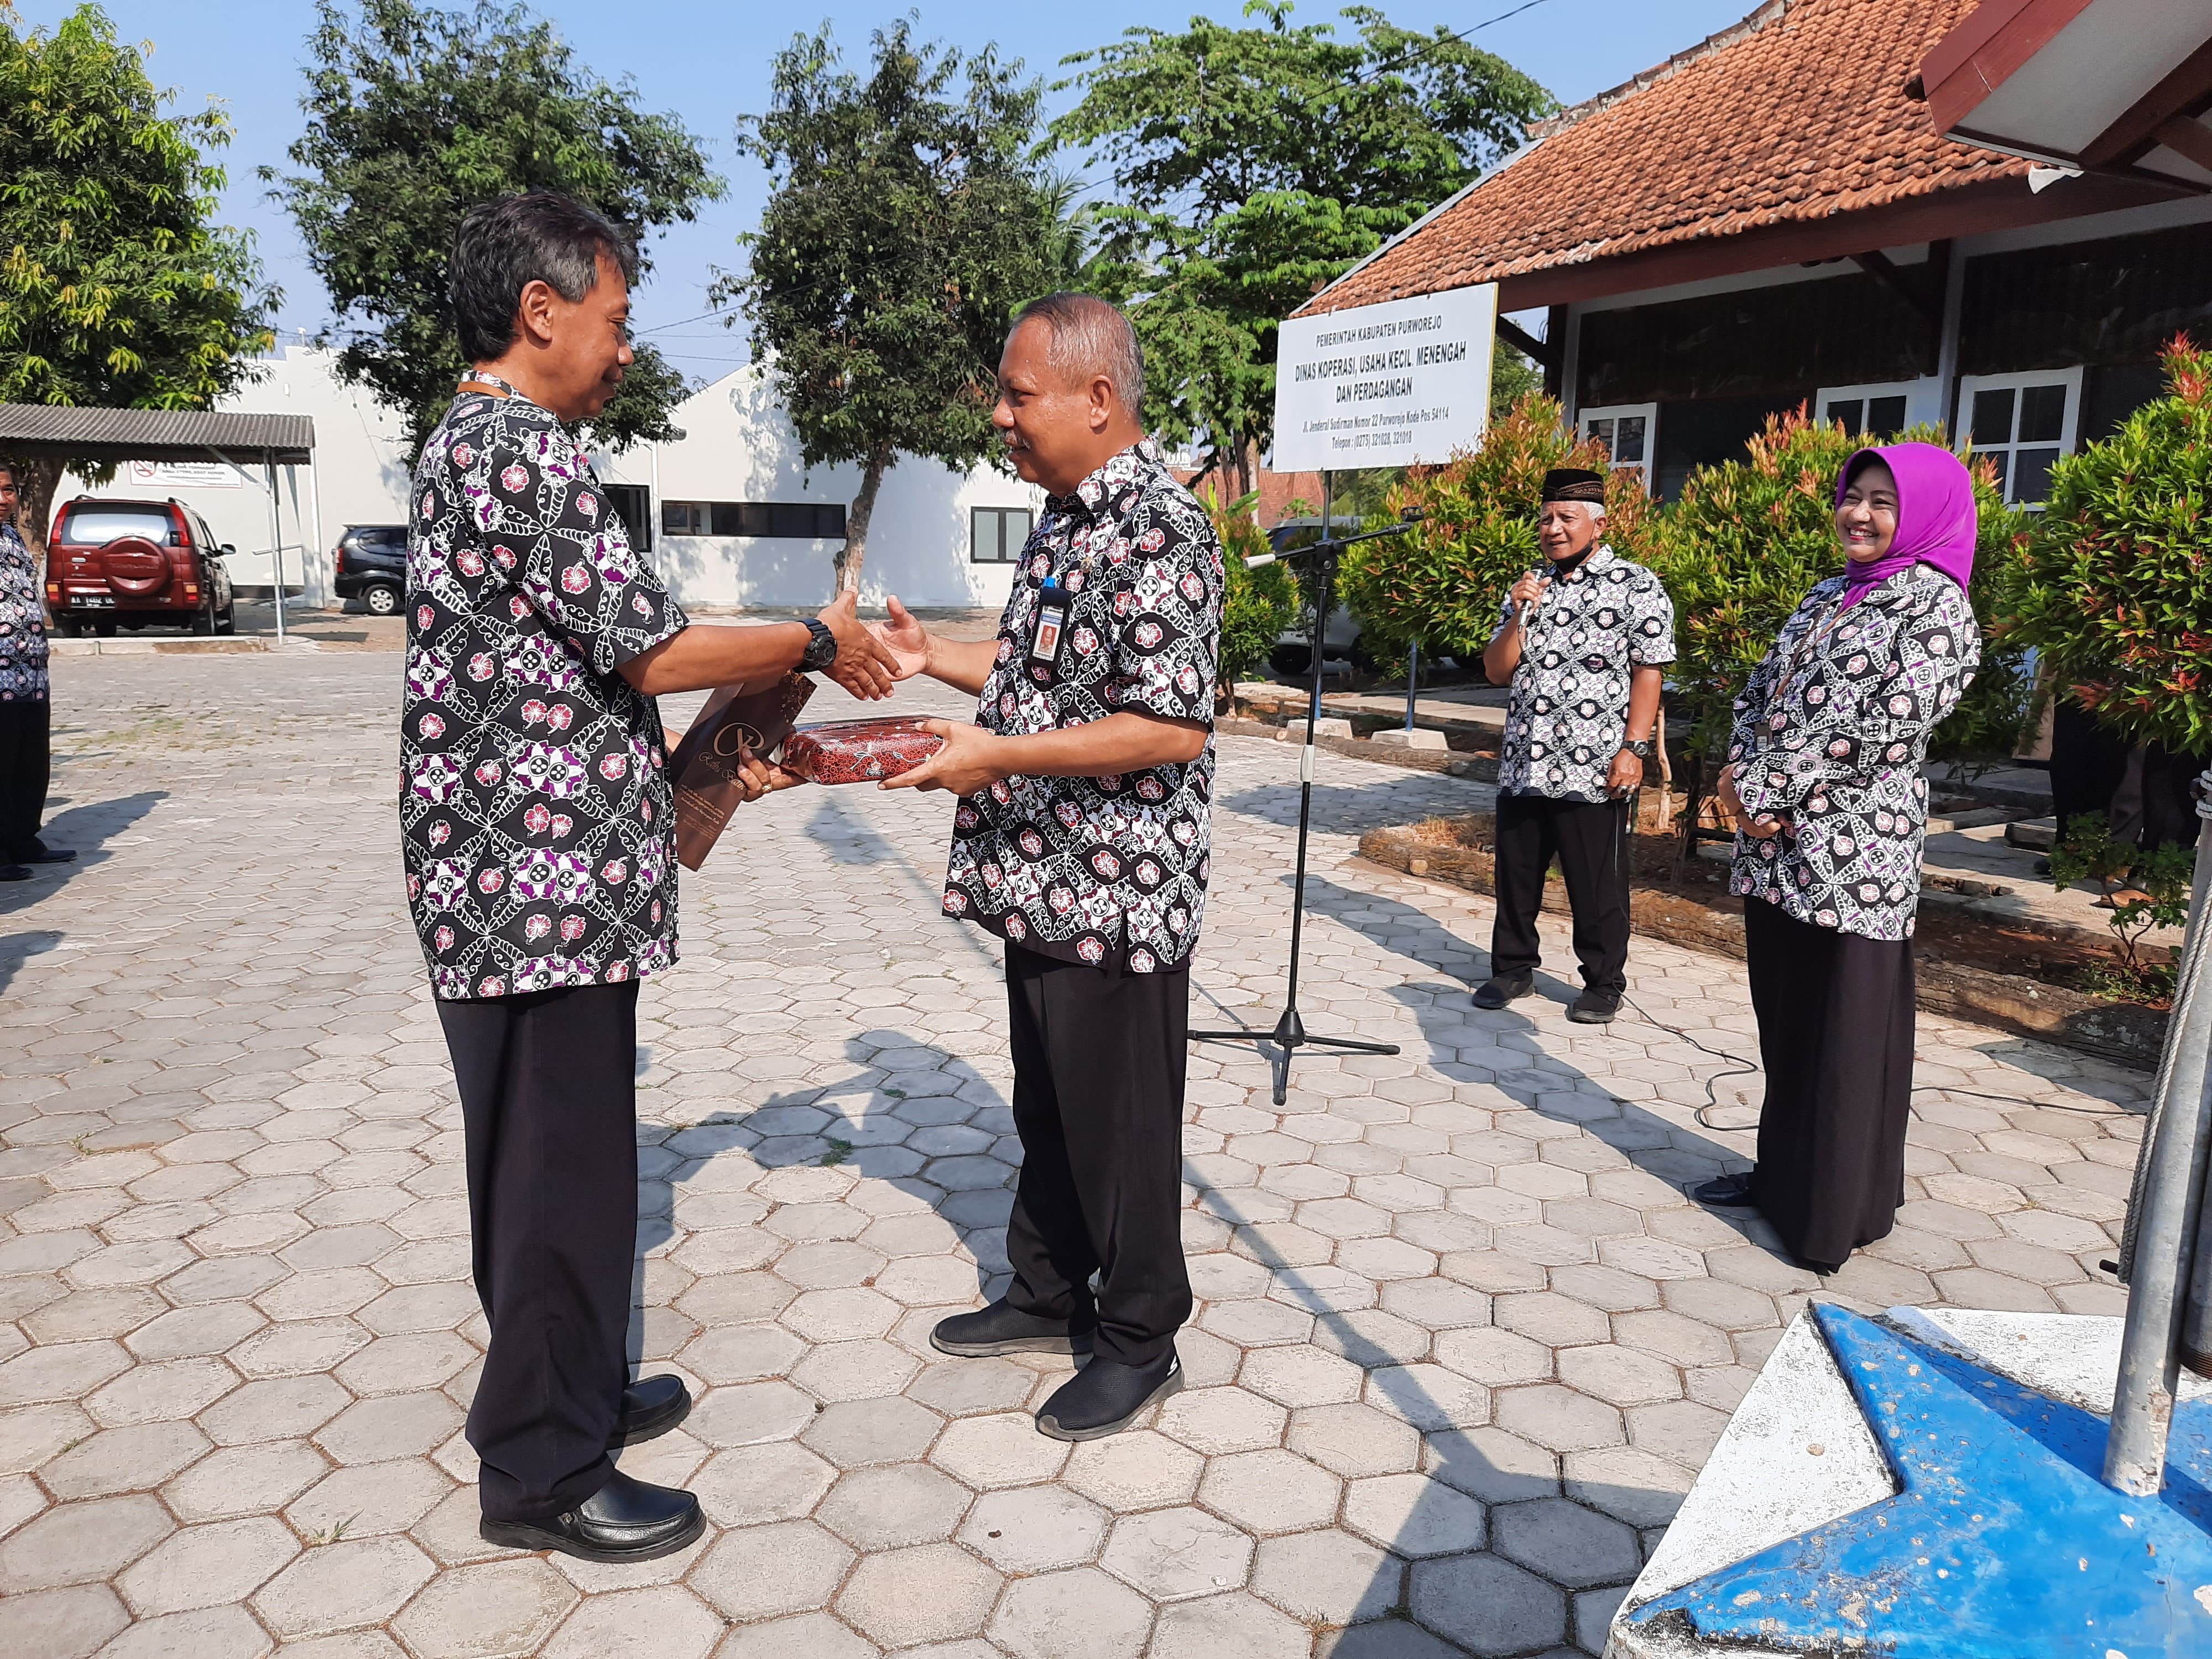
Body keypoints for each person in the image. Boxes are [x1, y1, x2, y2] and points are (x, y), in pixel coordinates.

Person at [403, 190, 898, 1563]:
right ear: (539, 310)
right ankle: (544, 1470)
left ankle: (572, 1388)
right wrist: (811, 632)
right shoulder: (514, 448)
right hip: (532, 892)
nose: (625, 348)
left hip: (542, 885)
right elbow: (648, 649)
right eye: (615, 321)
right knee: (554, 1174)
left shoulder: (496, 442)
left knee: (564, 1163)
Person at [868, 293, 1219, 1442]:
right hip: (1040, 879)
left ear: (1097, 400)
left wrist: (998, 757)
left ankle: (1138, 1335)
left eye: (1019, 396)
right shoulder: (1067, 521)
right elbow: (1038, 678)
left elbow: (1168, 726)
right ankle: (1046, 1288)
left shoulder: (1161, 529)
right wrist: (935, 664)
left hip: (1114, 891)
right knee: (1052, 1107)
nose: (1001, 416)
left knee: (1118, 1125)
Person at [1695, 443, 1981, 1274]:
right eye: (1852, 496)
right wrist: (1741, 778)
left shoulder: (1936, 610)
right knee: (1787, 1021)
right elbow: (1762, 692)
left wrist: (1764, 787)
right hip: (1777, 844)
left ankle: (1831, 1212)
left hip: (1855, 854)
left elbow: (1882, 729)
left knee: (1846, 1032)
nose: (1859, 514)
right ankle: (1782, 1179)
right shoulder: (1827, 593)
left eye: (1882, 502)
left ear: (1923, 514)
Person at [1473, 468, 1673, 1024]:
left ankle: (1603, 982)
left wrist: (1633, 749)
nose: (1553, 529)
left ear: (1599, 524)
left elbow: (1648, 672)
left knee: (1595, 883)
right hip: (1524, 762)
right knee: (1515, 877)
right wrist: (1517, 613)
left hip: (1593, 766)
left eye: (1567, 518)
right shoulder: (1529, 586)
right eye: (1546, 519)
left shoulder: (1635, 585)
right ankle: (1512, 969)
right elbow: (1496, 671)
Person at [0, 463, 73, 880]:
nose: (3, 499)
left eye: (9, 490)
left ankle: (23, 839)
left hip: (29, 673)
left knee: (29, 761)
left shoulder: (13, 537)